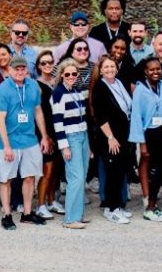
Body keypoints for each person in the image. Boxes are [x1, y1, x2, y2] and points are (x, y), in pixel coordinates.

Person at [0, 56, 51, 228]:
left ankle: (27, 213)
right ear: (10, 70)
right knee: (6, 179)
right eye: (16, 69)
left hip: (29, 140)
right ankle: (7, 214)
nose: (19, 72)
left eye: (22, 69)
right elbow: (0, 119)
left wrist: (44, 136)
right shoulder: (2, 90)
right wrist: (7, 146)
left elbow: (38, 111)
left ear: (27, 70)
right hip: (8, 142)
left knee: (29, 176)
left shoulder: (33, 85)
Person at [130, 56, 162, 221]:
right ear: (145, 71)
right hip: (151, 133)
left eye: (158, 69)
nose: (156, 72)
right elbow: (136, 116)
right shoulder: (140, 90)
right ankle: (149, 207)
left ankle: (155, 205)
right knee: (155, 171)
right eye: (152, 69)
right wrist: (142, 144)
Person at [90, 56, 135, 223]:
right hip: (110, 137)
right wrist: (110, 137)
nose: (109, 69)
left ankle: (118, 205)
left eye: (112, 66)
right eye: (106, 67)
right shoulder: (100, 87)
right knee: (112, 173)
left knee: (120, 171)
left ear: (117, 68)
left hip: (123, 135)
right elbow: (100, 116)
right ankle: (111, 209)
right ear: (100, 70)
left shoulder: (119, 83)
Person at [51, 57, 91, 229]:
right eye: (67, 74)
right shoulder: (58, 93)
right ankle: (69, 219)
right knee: (76, 177)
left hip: (83, 135)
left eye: (74, 73)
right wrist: (64, 146)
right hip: (71, 138)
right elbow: (58, 122)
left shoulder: (75, 91)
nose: (71, 76)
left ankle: (78, 214)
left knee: (81, 177)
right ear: (61, 75)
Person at [33, 52, 61, 218]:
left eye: (50, 62)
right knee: (47, 169)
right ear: (38, 66)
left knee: (56, 168)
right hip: (45, 131)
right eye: (43, 63)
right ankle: (41, 204)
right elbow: (37, 111)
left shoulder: (57, 82)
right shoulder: (36, 85)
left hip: (58, 129)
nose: (47, 65)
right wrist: (44, 135)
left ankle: (51, 201)